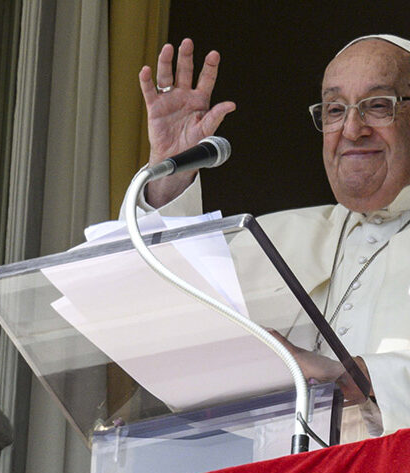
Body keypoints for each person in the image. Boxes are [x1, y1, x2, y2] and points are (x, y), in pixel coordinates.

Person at [122, 34, 410, 437]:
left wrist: (362, 378)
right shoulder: (274, 236)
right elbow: (156, 320)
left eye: (378, 106)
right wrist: (171, 174)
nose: (352, 128)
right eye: (334, 109)